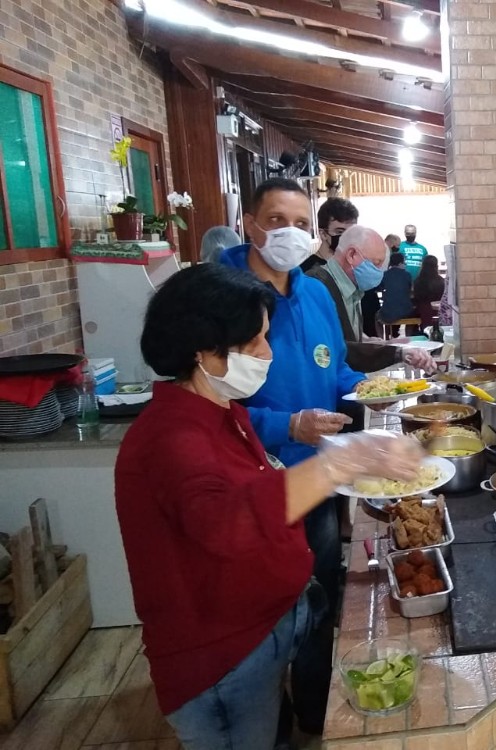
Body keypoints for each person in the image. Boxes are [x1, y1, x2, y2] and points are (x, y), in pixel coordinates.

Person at [116, 263, 422, 749]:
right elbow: (227, 523)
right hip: (222, 657)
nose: (267, 353)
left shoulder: (220, 411)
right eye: (254, 342)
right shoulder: (171, 438)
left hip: (264, 626)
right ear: (203, 351)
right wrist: (341, 466)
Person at [218, 178, 368, 737]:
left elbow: (335, 372)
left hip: (315, 476)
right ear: (250, 224)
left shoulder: (313, 292)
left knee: (319, 596)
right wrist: (288, 425)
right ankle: (262, 721)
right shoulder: (226, 298)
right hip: (252, 485)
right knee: (262, 612)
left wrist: (381, 384)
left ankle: (312, 711)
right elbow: (209, 407)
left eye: (300, 223)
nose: (289, 233)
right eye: (276, 220)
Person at [307, 225, 436, 374]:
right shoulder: (316, 288)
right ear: (352, 255)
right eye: (376, 263)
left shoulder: (353, 289)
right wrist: (397, 353)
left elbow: (345, 333)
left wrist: (369, 341)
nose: (380, 272)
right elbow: (328, 349)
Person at [300, 197, 359, 274]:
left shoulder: (354, 267)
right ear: (323, 233)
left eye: (352, 231)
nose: (348, 236)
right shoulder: (306, 272)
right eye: (340, 232)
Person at [378, 252, 416, 334]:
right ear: (400, 263)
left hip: (388, 311)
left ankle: (384, 339)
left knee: (377, 317)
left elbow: (379, 288)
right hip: (407, 310)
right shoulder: (407, 275)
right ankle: (409, 336)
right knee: (412, 317)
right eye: (404, 262)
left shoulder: (385, 275)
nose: (405, 264)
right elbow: (411, 291)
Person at [413, 254, 445, 329]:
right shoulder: (440, 281)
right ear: (436, 266)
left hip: (422, 311)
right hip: (437, 311)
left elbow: (416, 297)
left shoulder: (418, 280)